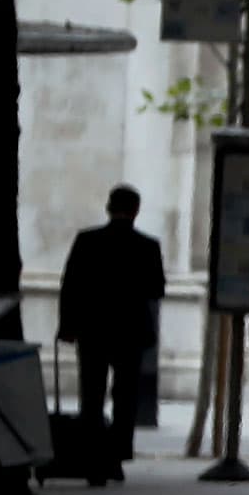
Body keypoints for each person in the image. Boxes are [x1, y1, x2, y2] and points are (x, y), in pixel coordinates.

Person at [58, 185, 166, 467]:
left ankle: (93, 455)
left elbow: (69, 286)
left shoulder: (87, 241)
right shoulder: (148, 246)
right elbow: (156, 289)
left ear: (108, 207)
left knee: (91, 394)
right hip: (130, 331)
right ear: (136, 211)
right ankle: (117, 454)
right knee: (126, 396)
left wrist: (67, 326)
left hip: (92, 330)